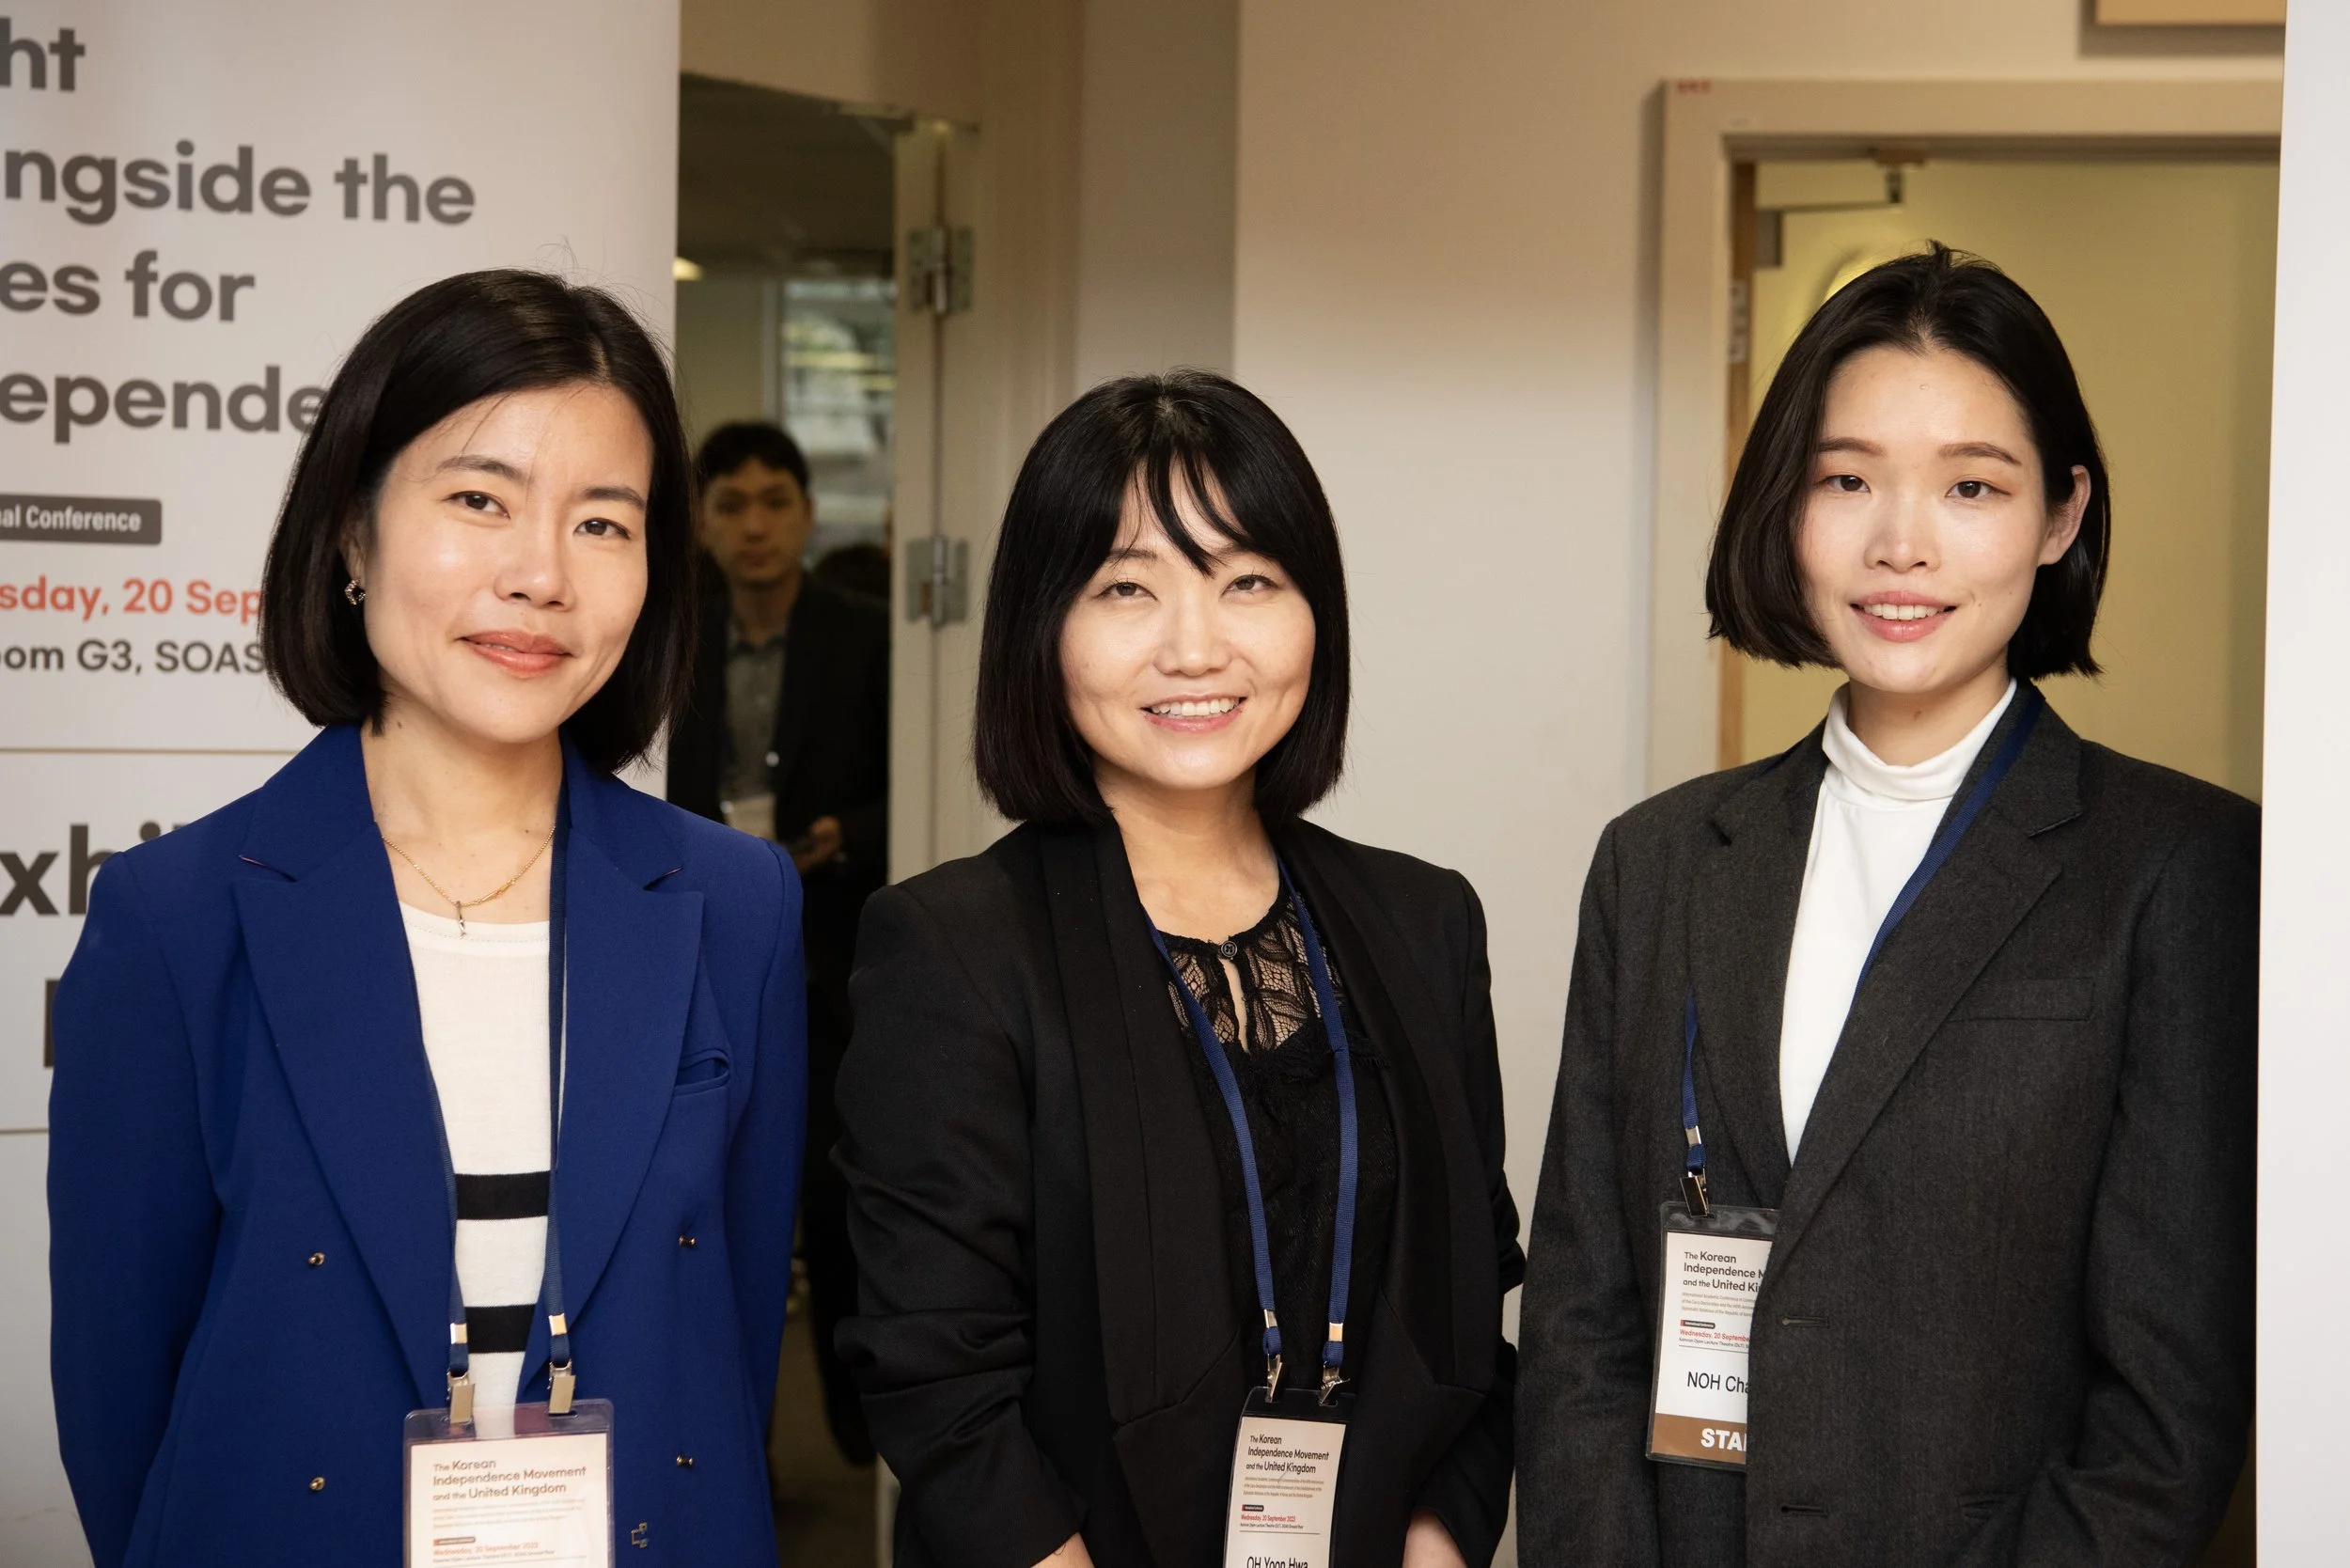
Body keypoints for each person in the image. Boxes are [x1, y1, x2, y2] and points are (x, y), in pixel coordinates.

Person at [48, 271, 807, 1567]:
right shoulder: (175, 920)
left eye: (604, 524)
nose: (541, 575)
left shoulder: (734, 906)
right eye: (478, 500)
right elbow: (123, 1394)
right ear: (353, 535)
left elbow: (730, 1338)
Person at [1515, 245, 2256, 1566]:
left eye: (1973, 485)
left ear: (2061, 516)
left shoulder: (2176, 866)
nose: (1899, 543)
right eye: (1846, 479)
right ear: (1785, 510)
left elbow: (2165, 1413)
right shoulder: (1664, 860)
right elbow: (1584, 1326)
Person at [834, 371, 1520, 1568]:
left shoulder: (1424, 921)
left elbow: (1471, 1308)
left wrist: (1439, 1541)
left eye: (1248, 580)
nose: (1195, 645)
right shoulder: (951, 947)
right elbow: (936, 1378)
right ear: (1042, 626)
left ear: (1317, 613)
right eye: (1125, 588)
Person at [665, 420, 888, 1465]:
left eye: (772, 502)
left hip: (840, 957)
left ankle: (860, 1447)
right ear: (703, 524)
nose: (753, 527)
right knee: (713, 1198)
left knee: (842, 1202)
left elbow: (922, 775)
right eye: (730, 506)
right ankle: (725, 1437)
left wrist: (852, 836)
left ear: (803, 513)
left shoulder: (873, 632)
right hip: (702, 952)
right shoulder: (672, 635)